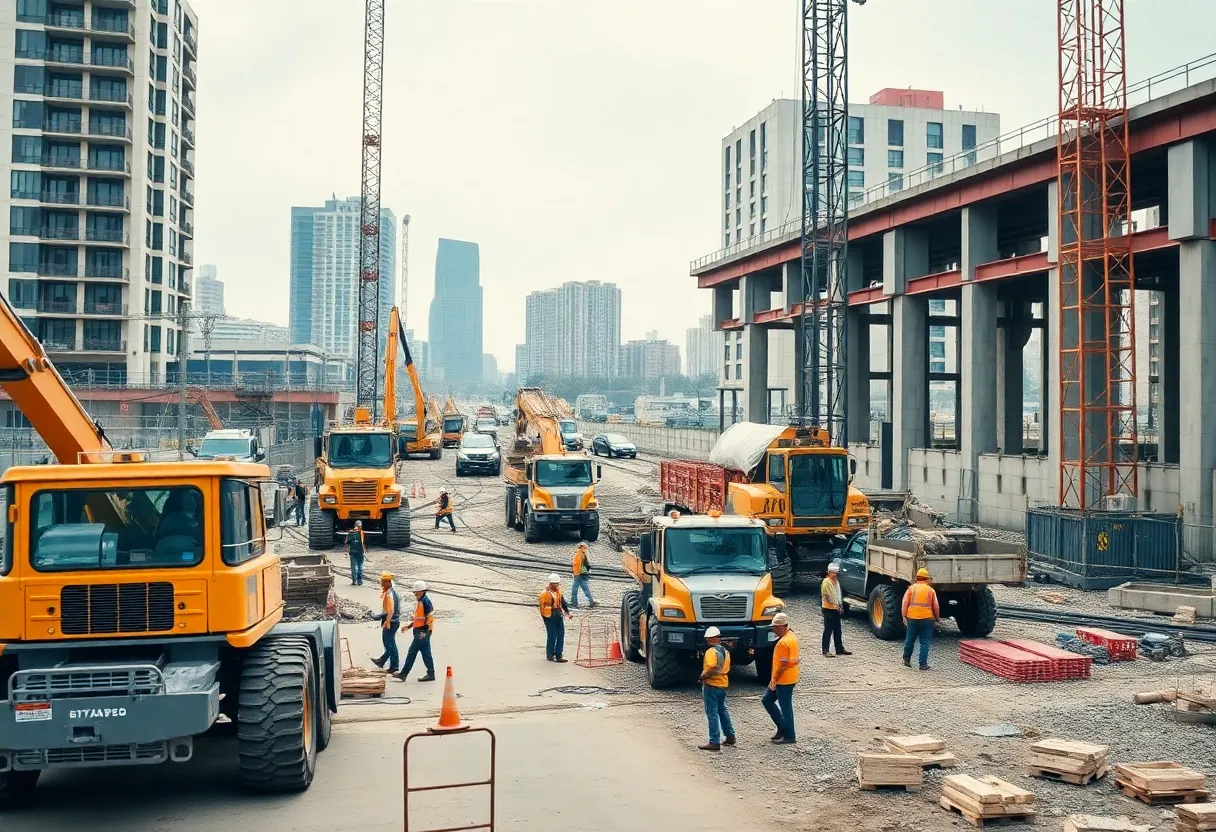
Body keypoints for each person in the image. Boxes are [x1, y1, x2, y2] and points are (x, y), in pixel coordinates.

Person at [762, 611, 799, 745]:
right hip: (790, 677)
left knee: (785, 707)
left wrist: (774, 680)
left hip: (783, 680)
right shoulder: (792, 637)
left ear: (783, 626)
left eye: (776, 627)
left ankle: (789, 735)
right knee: (767, 700)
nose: (774, 629)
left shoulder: (783, 643)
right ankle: (783, 728)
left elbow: (783, 665)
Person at [698, 626, 736, 752]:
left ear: (708, 639)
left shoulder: (710, 652)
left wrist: (703, 677)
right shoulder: (725, 651)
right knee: (722, 710)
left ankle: (714, 741)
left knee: (712, 713)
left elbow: (713, 667)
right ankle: (730, 736)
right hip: (723, 684)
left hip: (712, 685)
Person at [395, 581, 436, 682]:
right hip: (423, 631)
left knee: (412, 652)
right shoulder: (421, 601)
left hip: (422, 632)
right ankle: (431, 674)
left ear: (421, 592)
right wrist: (409, 626)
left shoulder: (424, 602)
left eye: (416, 592)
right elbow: (419, 618)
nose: (414, 594)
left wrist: (425, 630)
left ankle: (404, 673)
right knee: (426, 653)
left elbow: (428, 618)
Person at [902, 567, 940, 670]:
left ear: (917, 578)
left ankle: (906, 659)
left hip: (912, 618)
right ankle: (923, 664)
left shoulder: (911, 588)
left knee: (910, 639)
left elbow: (905, 602)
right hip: (927, 619)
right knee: (925, 642)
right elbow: (936, 606)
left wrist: (904, 616)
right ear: (927, 579)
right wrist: (937, 618)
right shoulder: (931, 591)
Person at [371, 573, 401, 674]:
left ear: (388, 583)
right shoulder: (392, 592)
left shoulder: (389, 594)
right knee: (391, 643)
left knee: (389, 644)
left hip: (391, 621)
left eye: (383, 582)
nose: (381, 584)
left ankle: (388, 663)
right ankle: (387, 663)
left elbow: (391, 611)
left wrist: (387, 622)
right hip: (394, 621)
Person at [538, 573, 572, 662]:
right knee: (552, 635)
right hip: (549, 616)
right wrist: (546, 618)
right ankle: (550, 654)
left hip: (558, 614)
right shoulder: (544, 594)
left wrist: (567, 612)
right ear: (550, 583)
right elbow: (542, 608)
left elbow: (562, 602)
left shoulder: (558, 591)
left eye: (557, 583)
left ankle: (558, 655)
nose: (556, 585)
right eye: (554, 583)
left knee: (561, 634)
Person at [820, 563, 851, 657]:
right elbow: (829, 597)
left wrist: (839, 606)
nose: (835, 575)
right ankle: (825, 650)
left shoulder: (835, 582)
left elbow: (837, 596)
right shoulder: (826, 582)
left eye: (836, 573)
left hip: (835, 608)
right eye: (834, 573)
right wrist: (836, 606)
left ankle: (839, 648)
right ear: (829, 572)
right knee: (828, 630)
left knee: (838, 629)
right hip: (828, 608)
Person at [570, 542, 598, 609]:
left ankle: (574, 604)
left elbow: (577, 565)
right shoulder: (583, 554)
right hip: (583, 574)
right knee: (585, 588)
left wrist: (576, 574)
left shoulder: (578, 554)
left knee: (574, 589)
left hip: (579, 574)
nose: (585, 549)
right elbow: (587, 564)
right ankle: (591, 602)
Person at [347, 521, 366, 586]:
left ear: (355, 525)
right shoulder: (362, 533)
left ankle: (354, 581)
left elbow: (347, 542)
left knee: (353, 567)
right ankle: (360, 581)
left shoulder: (350, 532)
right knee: (360, 566)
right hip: (360, 552)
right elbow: (363, 542)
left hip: (352, 552)